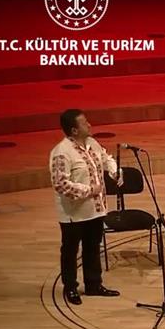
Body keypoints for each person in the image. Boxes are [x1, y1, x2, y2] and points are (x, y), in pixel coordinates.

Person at [50, 109, 123, 305]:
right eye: (84, 123)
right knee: (70, 251)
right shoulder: (61, 152)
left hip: (95, 210)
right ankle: (70, 287)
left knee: (92, 247)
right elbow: (61, 184)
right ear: (74, 130)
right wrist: (90, 190)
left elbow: (106, 158)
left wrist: (115, 171)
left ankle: (93, 284)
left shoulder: (92, 143)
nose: (89, 125)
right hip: (74, 213)